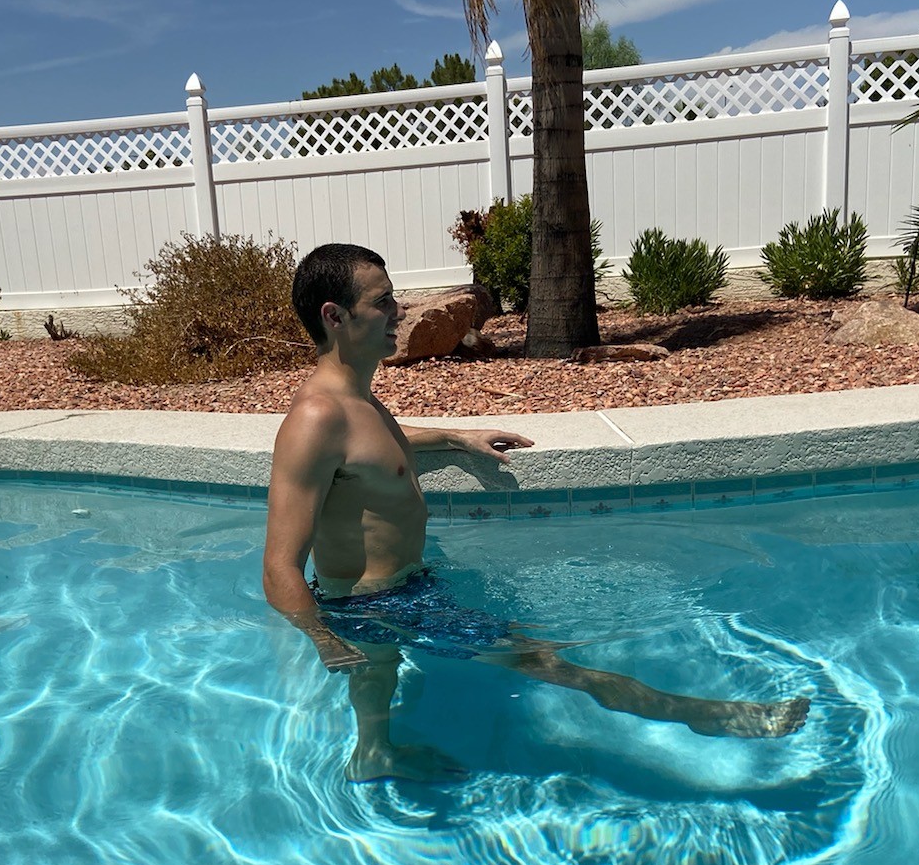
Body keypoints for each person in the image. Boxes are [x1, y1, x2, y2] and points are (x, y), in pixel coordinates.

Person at [263, 243, 809, 783]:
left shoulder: (355, 400)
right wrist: (323, 638)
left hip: (398, 591)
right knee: (553, 662)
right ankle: (708, 718)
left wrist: (455, 436)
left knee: (382, 671)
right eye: (383, 301)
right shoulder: (315, 418)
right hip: (382, 605)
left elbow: (372, 446)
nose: (398, 312)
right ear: (334, 316)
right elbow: (280, 564)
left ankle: (372, 753)